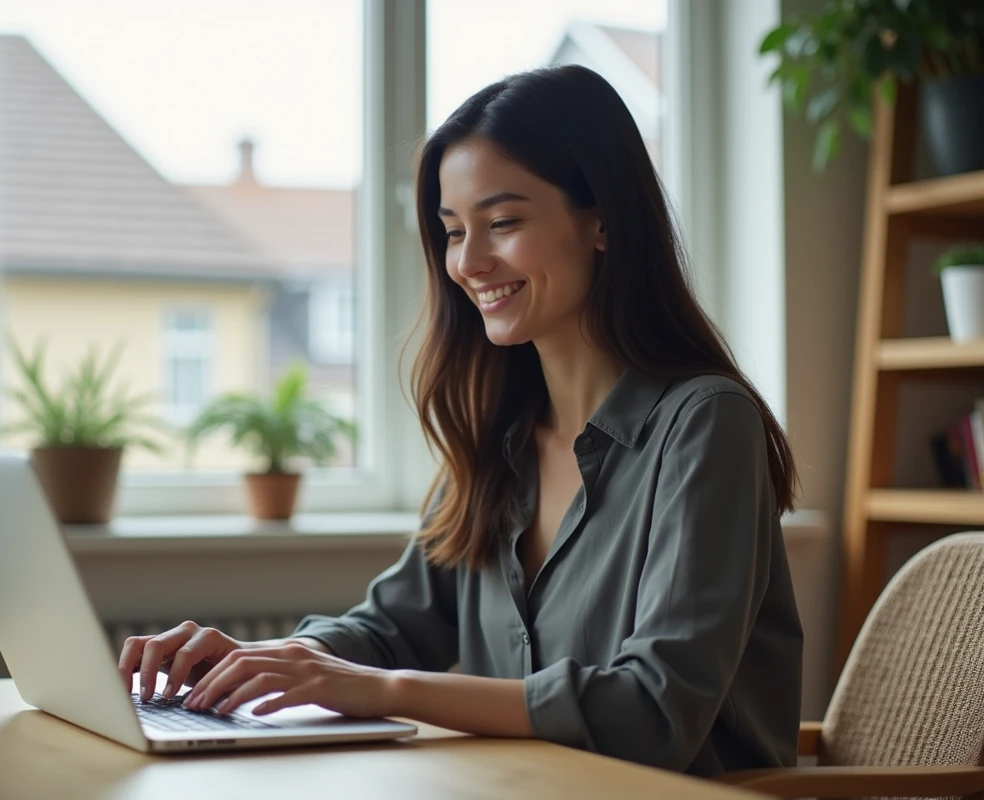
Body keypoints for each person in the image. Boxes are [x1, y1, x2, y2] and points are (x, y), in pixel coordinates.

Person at [118, 64, 803, 777]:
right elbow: (392, 627)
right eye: (452, 231)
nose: (468, 262)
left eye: (502, 223)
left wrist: (384, 691)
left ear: (602, 221)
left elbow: (655, 712)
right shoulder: (500, 439)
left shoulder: (705, 425)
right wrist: (269, 661)